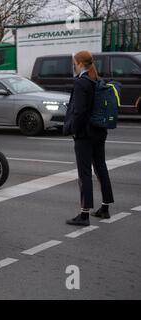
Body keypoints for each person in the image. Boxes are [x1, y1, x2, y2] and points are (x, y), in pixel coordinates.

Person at [64, 50, 114, 226]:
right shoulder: (97, 80)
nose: (73, 66)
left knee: (84, 173)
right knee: (101, 168)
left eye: (74, 63)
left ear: (78, 64)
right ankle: (105, 208)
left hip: (85, 134)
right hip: (100, 131)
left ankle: (84, 215)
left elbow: (79, 111)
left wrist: (72, 129)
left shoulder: (80, 83)